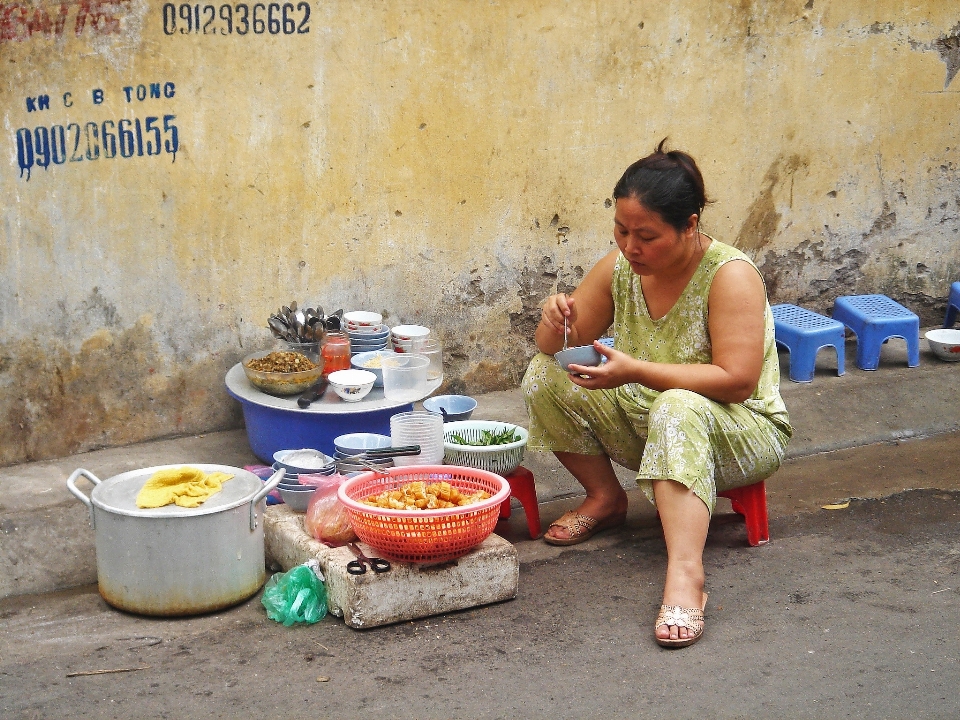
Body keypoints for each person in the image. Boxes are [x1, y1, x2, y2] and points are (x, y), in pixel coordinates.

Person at [521, 140, 792, 648]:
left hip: (740, 431)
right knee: (546, 375)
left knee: (677, 403)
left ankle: (687, 576)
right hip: (652, 419)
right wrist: (554, 320)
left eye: (646, 236)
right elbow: (555, 349)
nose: (630, 247)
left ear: (689, 225)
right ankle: (605, 499)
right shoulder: (620, 267)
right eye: (621, 231)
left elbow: (739, 381)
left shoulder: (729, 276)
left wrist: (638, 371)